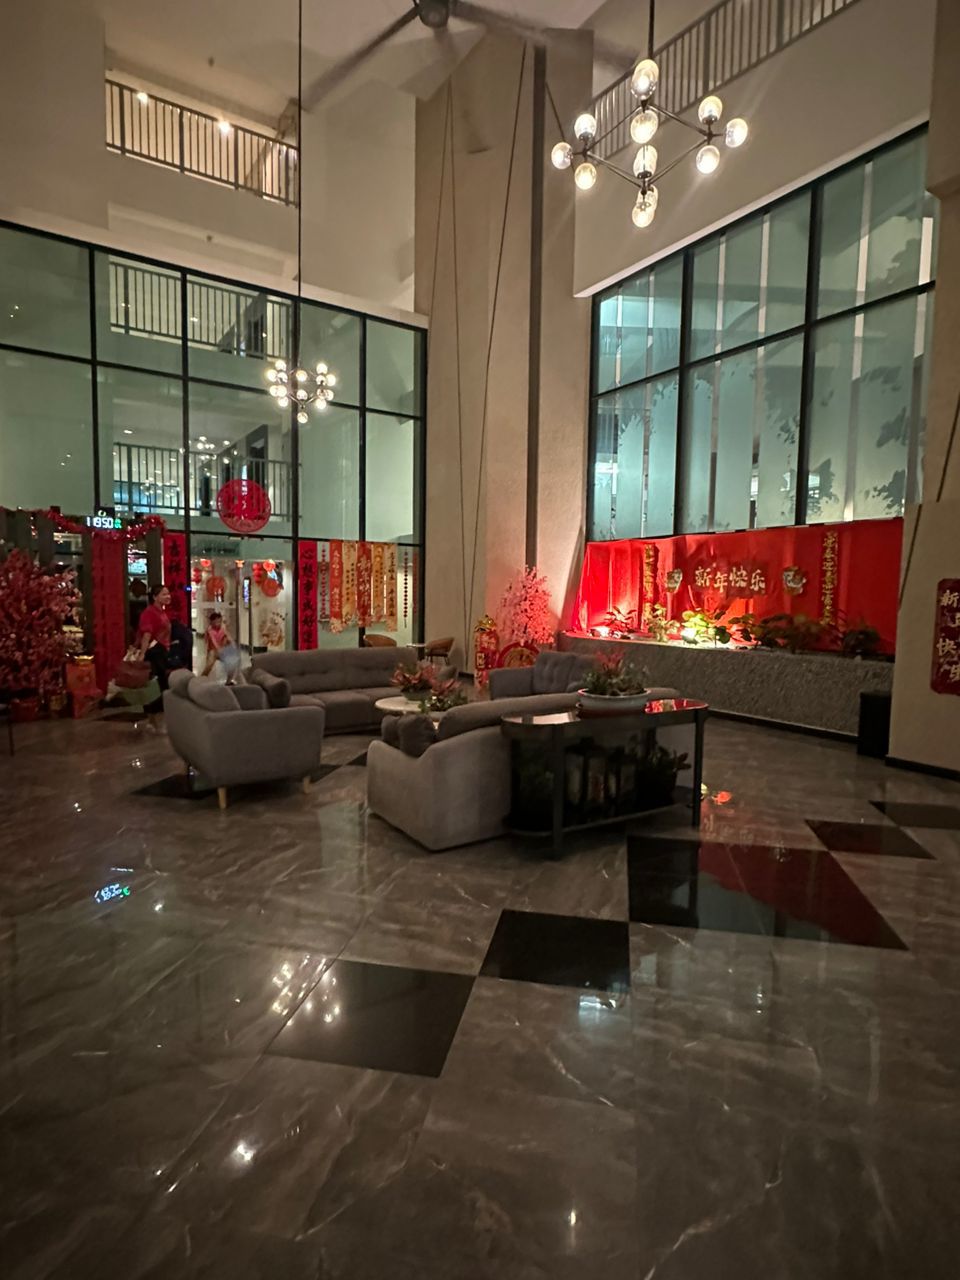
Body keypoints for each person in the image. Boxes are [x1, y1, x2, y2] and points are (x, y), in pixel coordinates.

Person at [137, 583, 172, 691]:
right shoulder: (149, 613)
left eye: (168, 594)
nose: (168, 596)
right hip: (155, 652)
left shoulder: (161, 612)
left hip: (162, 650)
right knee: (158, 682)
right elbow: (146, 634)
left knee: (162, 680)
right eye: (164, 594)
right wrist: (142, 654)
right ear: (154, 597)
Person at [203, 611, 241, 683]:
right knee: (209, 666)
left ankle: (229, 681)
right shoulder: (209, 630)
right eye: (216, 622)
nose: (218, 623)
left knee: (232, 664)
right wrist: (218, 649)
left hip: (222, 649)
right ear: (212, 622)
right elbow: (213, 640)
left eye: (219, 621)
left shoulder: (223, 627)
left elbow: (228, 636)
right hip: (213, 651)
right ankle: (201, 680)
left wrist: (233, 645)